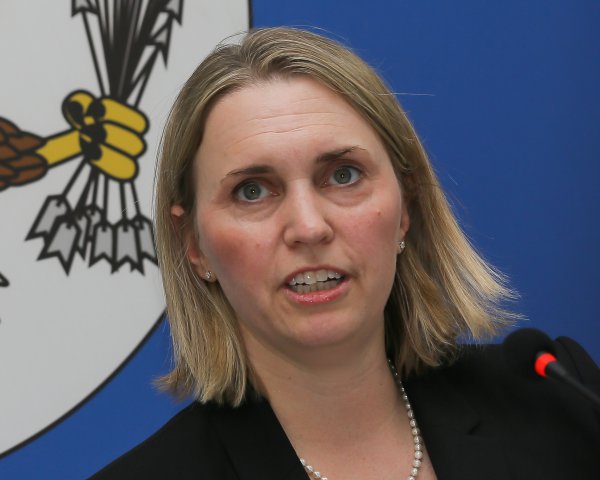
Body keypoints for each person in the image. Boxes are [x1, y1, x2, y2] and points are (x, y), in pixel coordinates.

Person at [91, 27, 600, 479]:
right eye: (252, 191)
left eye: (343, 175)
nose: (309, 227)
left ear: (405, 207)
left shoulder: (560, 403)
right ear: (194, 246)